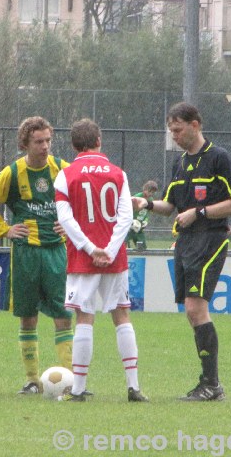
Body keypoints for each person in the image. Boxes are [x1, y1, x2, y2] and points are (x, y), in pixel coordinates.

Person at [133, 102, 231, 401]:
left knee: (197, 308)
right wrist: (144, 204)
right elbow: (170, 206)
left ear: (195, 125)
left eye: (178, 130)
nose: (174, 136)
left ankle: (211, 384)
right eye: (171, 131)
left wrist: (201, 212)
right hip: (185, 242)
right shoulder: (180, 163)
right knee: (192, 311)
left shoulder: (218, 158)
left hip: (209, 238)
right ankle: (210, 384)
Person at [54, 118, 148, 403]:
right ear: (99, 141)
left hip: (83, 259)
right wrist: (109, 248)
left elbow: (65, 218)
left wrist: (89, 247)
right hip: (114, 258)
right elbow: (126, 217)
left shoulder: (65, 175)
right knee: (121, 315)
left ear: (73, 145)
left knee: (84, 316)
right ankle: (133, 387)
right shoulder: (118, 173)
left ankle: (79, 390)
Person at [0, 116, 73, 395]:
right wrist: (4, 230)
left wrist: (70, 226)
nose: (45, 147)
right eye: (38, 141)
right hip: (26, 254)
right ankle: (32, 380)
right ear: (25, 143)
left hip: (57, 250)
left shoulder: (62, 170)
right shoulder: (12, 173)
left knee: (63, 315)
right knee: (28, 316)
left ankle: (69, 381)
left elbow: (83, 197)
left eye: (48, 141)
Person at [126, 180, 158, 250]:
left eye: (153, 192)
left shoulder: (150, 200)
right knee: (123, 242)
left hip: (140, 227)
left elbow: (147, 213)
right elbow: (129, 208)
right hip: (130, 226)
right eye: (149, 191)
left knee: (142, 247)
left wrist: (146, 220)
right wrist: (132, 221)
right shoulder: (137, 197)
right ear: (144, 189)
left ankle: (142, 255)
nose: (151, 194)